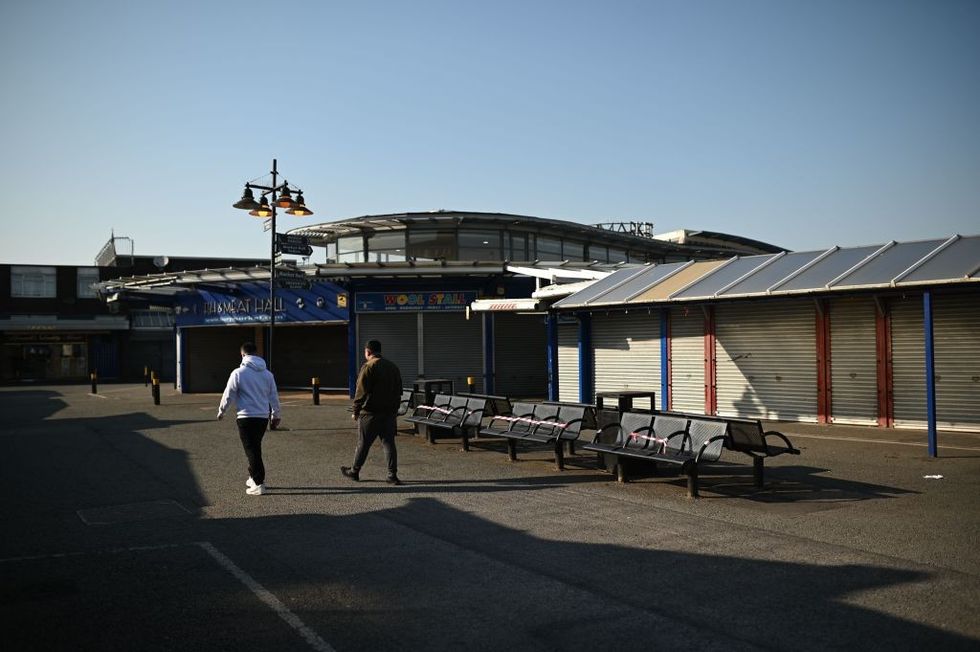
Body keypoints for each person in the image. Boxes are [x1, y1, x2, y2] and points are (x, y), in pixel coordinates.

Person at [217, 342, 281, 496]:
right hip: (262, 417)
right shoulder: (267, 374)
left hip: (245, 417)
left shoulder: (238, 373)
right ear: (256, 353)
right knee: (255, 448)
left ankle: (259, 483)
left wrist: (222, 411)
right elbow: (273, 396)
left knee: (251, 450)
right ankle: (253, 477)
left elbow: (229, 394)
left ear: (242, 354)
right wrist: (276, 415)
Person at [341, 339, 403, 485]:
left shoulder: (369, 366)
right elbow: (399, 391)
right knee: (389, 443)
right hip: (389, 413)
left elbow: (361, 391)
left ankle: (354, 471)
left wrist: (356, 410)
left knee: (363, 443)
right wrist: (394, 410)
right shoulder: (392, 367)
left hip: (370, 413)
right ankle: (392, 475)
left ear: (368, 351)